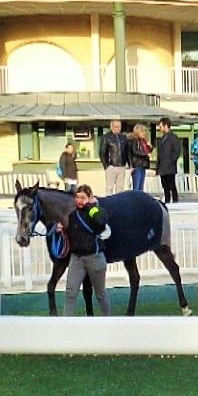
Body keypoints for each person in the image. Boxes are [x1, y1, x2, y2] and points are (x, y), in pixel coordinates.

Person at [58, 184, 112, 316]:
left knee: (100, 294)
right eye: (77, 197)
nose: (79, 200)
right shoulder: (72, 214)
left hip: (95, 258)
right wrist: (61, 228)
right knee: (70, 293)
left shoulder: (96, 211)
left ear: (90, 198)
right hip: (77, 259)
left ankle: (110, 321)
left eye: (83, 197)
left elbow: (101, 221)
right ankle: (66, 324)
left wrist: (91, 207)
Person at [154, 118, 182, 204]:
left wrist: (170, 161)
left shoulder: (173, 137)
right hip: (163, 167)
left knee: (171, 185)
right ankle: (167, 201)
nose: (159, 128)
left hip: (169, 167)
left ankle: (175, 202)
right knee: (165, 186)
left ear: (166, 126)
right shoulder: (162, 138)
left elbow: (176, 151)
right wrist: (158, 167)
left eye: (161, 126)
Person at [98, 119, 130, 195]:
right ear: (111, 127)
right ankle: (109, 205)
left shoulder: (124, 137)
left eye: (119, 127)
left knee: (120, 189)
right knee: (109, 188)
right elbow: (102, 152)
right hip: (111, 166)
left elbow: (127, 151)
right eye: (116, 127)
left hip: (122, 166)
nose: (118, 129)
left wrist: (130, 164)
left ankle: (118, 205)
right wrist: (106, 166)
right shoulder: (106, 137)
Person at [127, 122, 153, 193]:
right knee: (137, 186)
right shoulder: (134, 140)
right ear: (138, 132)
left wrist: (150, 147)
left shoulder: (143, 141)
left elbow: (148, 151)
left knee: (141, 186)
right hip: (137, 165)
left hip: (143, 165)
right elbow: (135, 151)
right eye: (142, 131)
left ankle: (140, 200)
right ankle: (135, 202)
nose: (144, 133)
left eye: (144, 131)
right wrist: (145, 154)